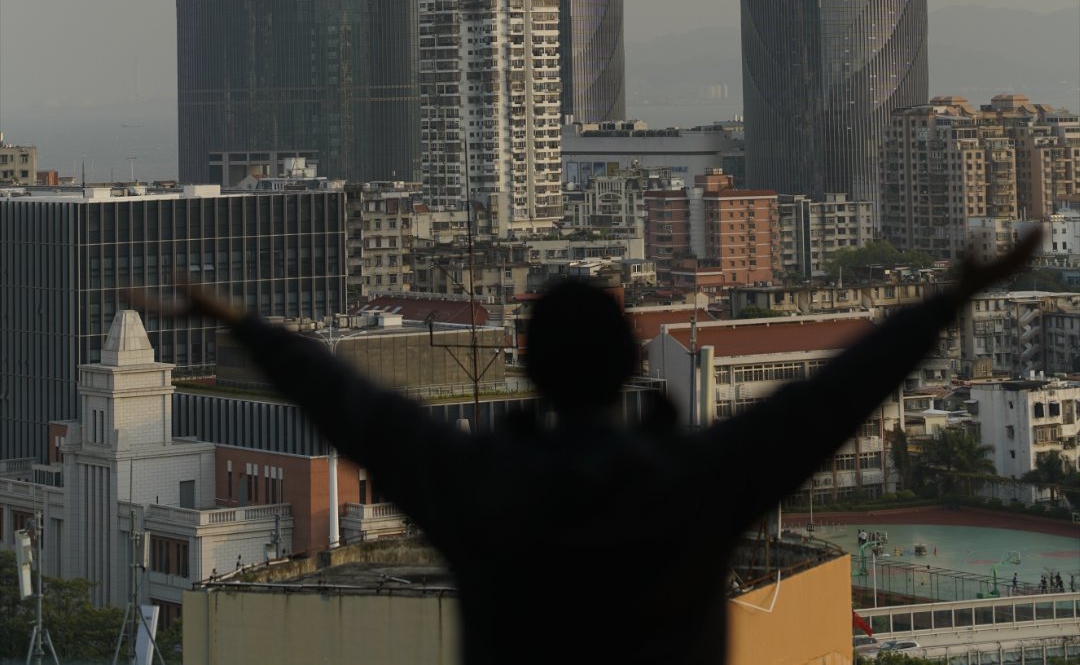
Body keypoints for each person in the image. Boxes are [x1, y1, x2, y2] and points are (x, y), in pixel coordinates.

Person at [125, 230, 1038, 665]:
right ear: (633, 363)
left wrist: (233, 316)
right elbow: (832, 398)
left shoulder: (478, 483)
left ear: (528, 370)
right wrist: (952, 296)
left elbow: (352, 405)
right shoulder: (692, 481)